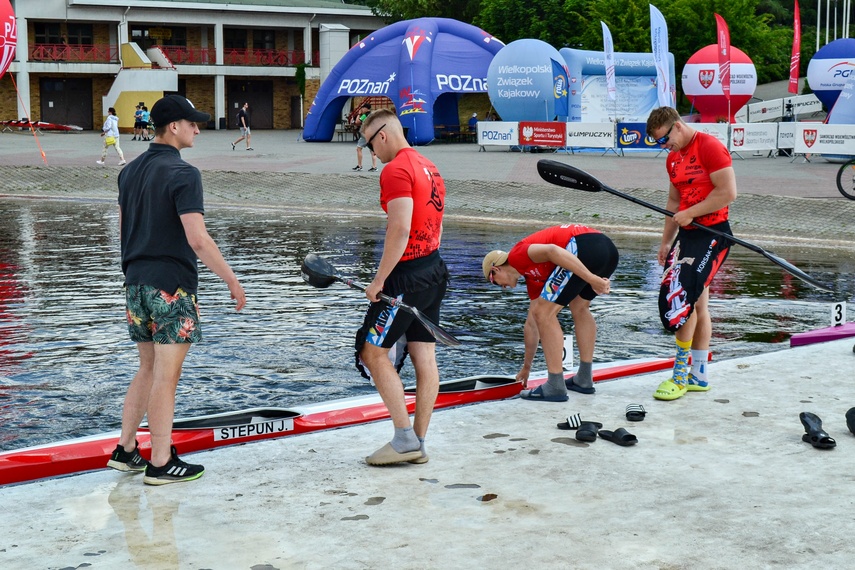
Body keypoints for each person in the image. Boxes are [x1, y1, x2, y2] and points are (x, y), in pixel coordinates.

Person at [109, 94, 246, 485]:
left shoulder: (128, 172)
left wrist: (134, 277)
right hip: (171, 288)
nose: (197, 129)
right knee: (165, 378)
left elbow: (124, 231)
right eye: (192, 123)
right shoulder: (184, 174)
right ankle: (161, 461)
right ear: (174, 127)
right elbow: (198, 239)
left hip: (135, 285)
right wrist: (232, 280)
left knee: (147, 368)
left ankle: (127, 449)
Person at [355, 108, 449, 465]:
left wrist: (379, 281)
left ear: (382, 135)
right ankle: (419, 442)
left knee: (372, 351)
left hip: (406, 276)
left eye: (369, 145)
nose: (372, 155)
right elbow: (435, 224)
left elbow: (400, 229)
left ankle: (404, 439)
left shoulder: (396, 170)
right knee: (424, 355)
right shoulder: (430, 166)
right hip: (434, 270)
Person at [645, 106, 737, 401]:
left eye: (664, 140)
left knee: (680, 298)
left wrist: (691, 213)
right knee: (697, 305)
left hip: (713, 233)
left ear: (678, 126)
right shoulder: (673, 159)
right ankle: (699, 375)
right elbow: (673, 203)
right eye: (659, 143)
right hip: (686, 235)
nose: (664, 147)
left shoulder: (710, 147)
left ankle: (680, 376)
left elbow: (727, 192)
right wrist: (665, 242)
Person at [483, 224, 618, 401]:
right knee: (578, 307)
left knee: (544, 313)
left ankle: (555, 386)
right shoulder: (533, 279)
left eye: (494, 282)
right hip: (607, 249)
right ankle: (584, 379)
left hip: (584, 246)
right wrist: (526, 367)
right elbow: (531, 324)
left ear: (495, 269)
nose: (501, 287)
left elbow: (553, 251)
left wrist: (592, 279)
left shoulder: (517, 255)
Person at [352, 103, 377, 172]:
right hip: (372, 134)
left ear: (366, 108)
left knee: (359, 148)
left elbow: (357, 122)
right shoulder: (372, 114)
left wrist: (359, 114)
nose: (361, 109)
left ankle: (359, 166)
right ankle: (374, 166)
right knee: (372, 150)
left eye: (362, 108)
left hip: (365, 135)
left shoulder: (364, 115)